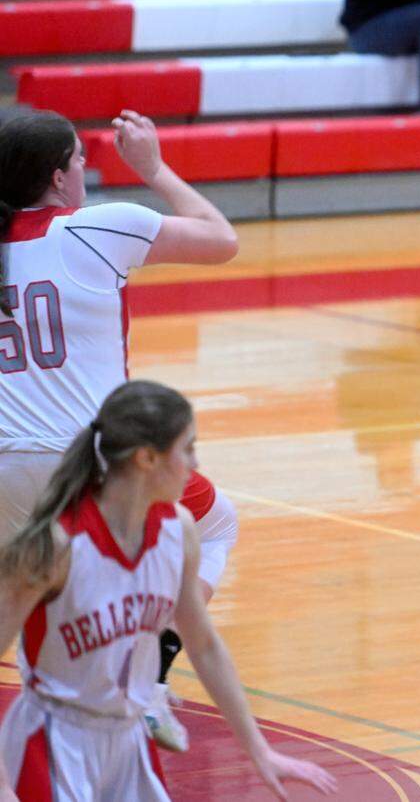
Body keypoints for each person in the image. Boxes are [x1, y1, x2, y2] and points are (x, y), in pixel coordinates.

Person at [0, 108, 240, 753]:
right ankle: (149, 679)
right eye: (80, 160)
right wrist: (155, 168)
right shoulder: (98, 227)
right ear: (58, 177)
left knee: (37, 596)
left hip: (2, 466)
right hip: (84, 464)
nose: (86, 169)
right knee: (216, 524)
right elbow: (221, 239)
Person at [0, 380, 336, 800]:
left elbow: (206, 647)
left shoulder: (180, 531)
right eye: (188, 448)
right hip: (52, 742)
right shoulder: (54, 546)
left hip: (128, 740)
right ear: (146, 458)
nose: (194, 463)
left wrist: (260, 750)